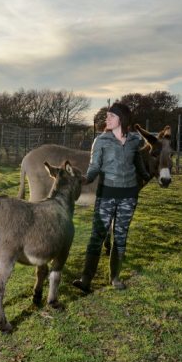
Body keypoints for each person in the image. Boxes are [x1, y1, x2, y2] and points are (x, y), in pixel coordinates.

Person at [72, 102, 151, 293]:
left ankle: (114, 278)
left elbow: (138, 163)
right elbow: (94, 167)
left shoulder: (134, 141)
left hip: (129, 196)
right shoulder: (100, 141)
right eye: (107, 116)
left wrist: (147, 175)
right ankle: (86, 278)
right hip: (106, 194)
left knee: (121, 236)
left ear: (121, 119)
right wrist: (85, 178)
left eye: (111, 116)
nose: (106, 119)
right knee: (97, 235)